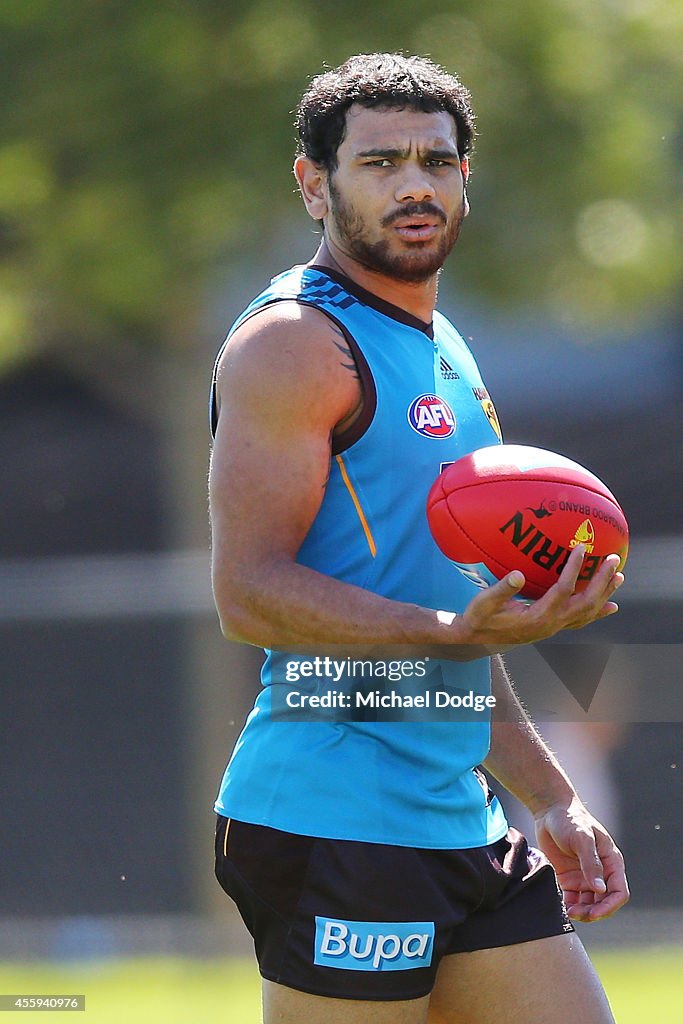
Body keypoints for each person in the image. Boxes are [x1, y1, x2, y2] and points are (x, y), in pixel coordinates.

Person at [208, 53, 628, 1024]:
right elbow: (247, 592)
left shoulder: (441, 344)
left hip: (455, 813)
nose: (413, 184)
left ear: (464, 181)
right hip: (333, 814)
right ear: (313, 182)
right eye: (379, 161)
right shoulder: (293, 343)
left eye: (436, 162)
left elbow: (448, 619)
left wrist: (550, 794)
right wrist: (448, 627)